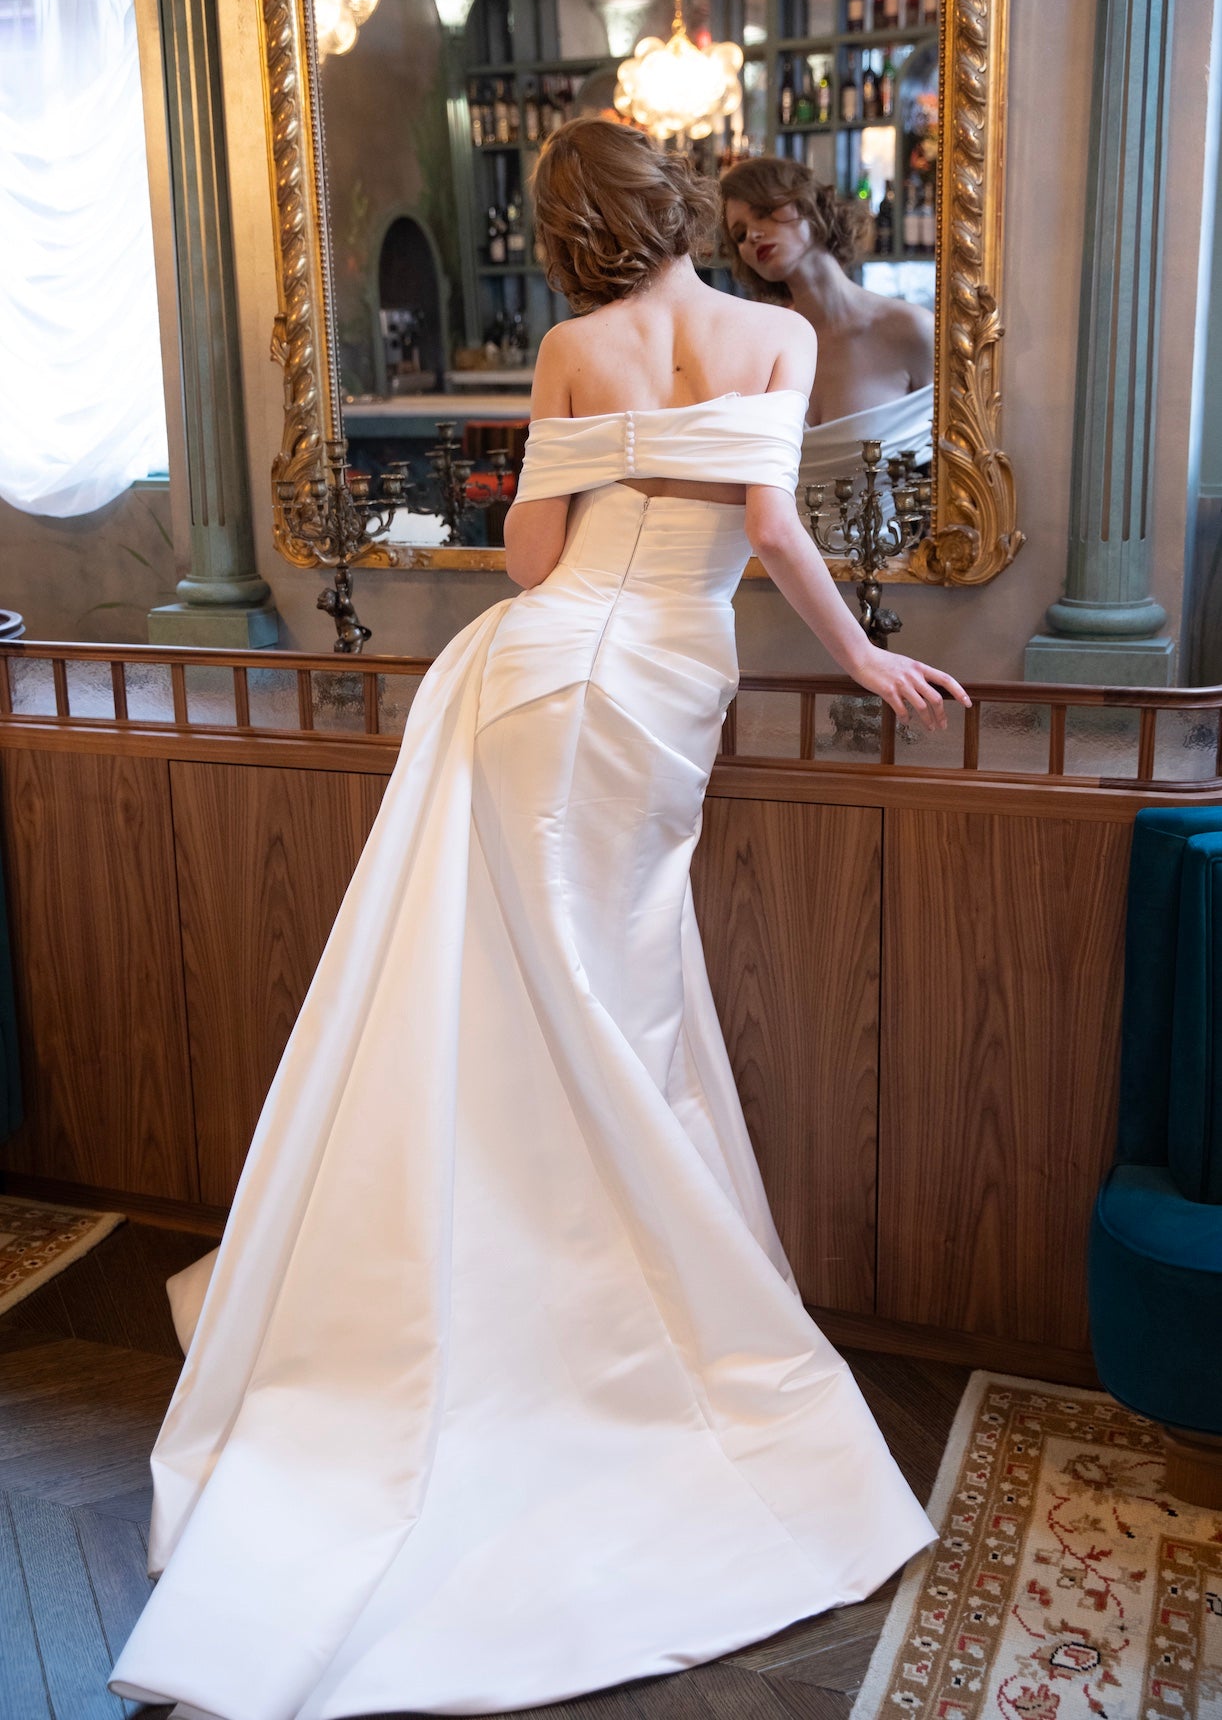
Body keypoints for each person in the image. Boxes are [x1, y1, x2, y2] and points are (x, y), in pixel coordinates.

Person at [108, 119, 966, 1720]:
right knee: (599, 1000)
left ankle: (531, 1290)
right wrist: (860, 657)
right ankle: (584, 1308)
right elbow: (770, 531)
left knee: (527, 993)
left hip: (541, 673)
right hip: (662, 685)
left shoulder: (573, 349)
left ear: (567, 234)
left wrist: (573, 465)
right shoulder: (775, 337)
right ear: (681, 208)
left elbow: (528, 558)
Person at [720, 157, 935, 496]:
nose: (753, 236)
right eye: (740, 234)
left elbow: (953, 462)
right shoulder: (763, 351)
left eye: (763, 212)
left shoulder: (910, 329)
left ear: (810, 206)